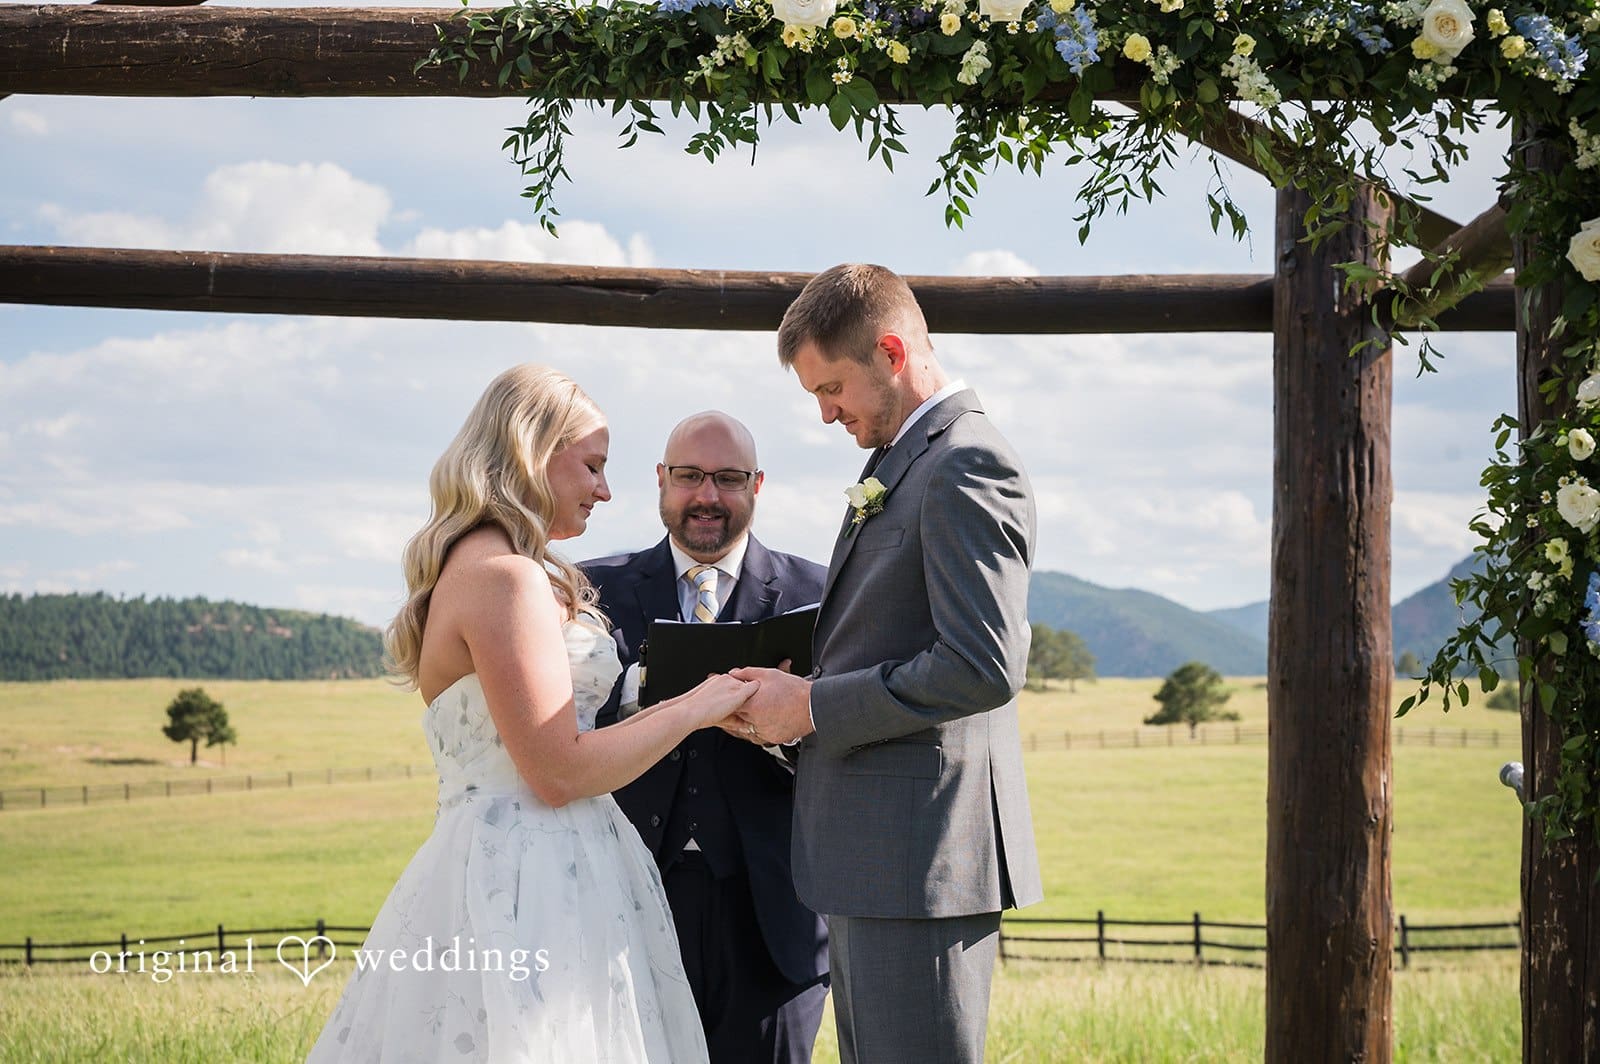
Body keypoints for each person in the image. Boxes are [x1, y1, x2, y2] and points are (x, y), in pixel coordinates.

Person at [306, 365, 757, 1064]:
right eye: (593, 466)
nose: (606, 490)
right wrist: (697, 707)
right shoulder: (504, 578)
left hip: (542, 859)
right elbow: (556, 772)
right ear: (532, 453)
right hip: (527, 877)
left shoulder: (494, 565)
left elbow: (567, 744)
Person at [727, 264, 1043, 1063]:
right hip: (879, 857)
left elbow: (982, 665)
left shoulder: (966, 462)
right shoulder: (904, 459)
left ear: (893, 351)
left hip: (922, 858)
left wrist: (812, 708)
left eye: (831, 388)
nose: (826, 412)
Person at [582, 412, 829, 1064]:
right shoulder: (587, 588)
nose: (708, 496)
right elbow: (559, 729)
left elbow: (852, 731)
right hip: (625, 903)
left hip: (776, 914)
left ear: (758, 484)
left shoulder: (824, 592)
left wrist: (791, 722)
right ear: (662, 480)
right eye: (690, 476)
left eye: (728, 478)